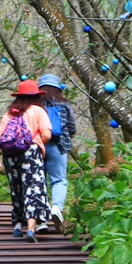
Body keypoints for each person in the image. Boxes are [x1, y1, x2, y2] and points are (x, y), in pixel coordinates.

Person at [0, 80, 53, 243]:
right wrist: (38, 143)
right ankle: (30, 228)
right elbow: (47, 134)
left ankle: (17, 225)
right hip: (30, 152)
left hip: (11, 154)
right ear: (36, 96)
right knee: (33, 188)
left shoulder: (10, 112)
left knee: (17, 188)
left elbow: (2, 137)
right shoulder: (38, 110)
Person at [37, 74, 77, 233]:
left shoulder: (35, 105)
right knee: (59, 179)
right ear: (58, 89)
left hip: (38, 146)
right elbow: (72, 127)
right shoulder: (64, 104)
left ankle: (41, 218)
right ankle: (56, 208)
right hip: (58, 146)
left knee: (39, 181)